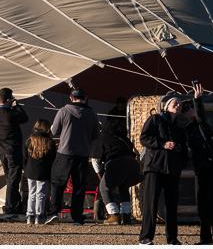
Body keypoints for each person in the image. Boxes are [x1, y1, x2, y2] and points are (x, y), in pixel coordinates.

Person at [138, 94, 190, 245]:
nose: (178, 105)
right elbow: (144, 138)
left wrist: (179, 152)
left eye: (180, 104)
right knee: (151, 203)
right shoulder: (155, 119)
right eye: (175, 103)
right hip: (155, 167)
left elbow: (184, 148)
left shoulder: (180, 127)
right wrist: (163, 144)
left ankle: (172, 238)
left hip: (172, 170)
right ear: (166, 106)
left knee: (172, 204)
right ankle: (145, 237)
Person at [45, 88, 99, 225]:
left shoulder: (63, 111)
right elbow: (95, 135)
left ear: (71, 97)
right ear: (85, 98)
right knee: (79, 186)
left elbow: (54, 131)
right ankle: (77, 216)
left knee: (58, 183)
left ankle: (54, 212)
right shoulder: (92, 114)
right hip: (83, 154)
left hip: (64, 153)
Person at [185, 82, 213, 245]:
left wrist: (197, 101)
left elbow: (201, 118)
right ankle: (205, 239)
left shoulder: (205, 124)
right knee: (202, 205)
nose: (186, 111)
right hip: (201, 169)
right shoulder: (189, 129)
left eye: (188, 108)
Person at [91, 108, 142, 225]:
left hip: (116, 164)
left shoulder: (102, 138)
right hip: (133, 165)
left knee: (104, 188)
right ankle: (126, 216)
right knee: (124, 187)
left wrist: (101, 177)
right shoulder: (125, 139)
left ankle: (114, 215)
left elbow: (95, 160)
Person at [0, 87, 29, 214]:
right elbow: (25, 118)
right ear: (9, 99)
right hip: (13, 151)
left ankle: (15, 204)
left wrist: (5, 103)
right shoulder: (11, 115)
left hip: (2, 151)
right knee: (13, 180)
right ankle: (10, 207)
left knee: (10, 179)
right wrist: (16, 105)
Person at [23, 119, 56, 225]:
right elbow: (53, 158)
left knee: (31, 193)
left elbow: (24, 157)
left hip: (30, 170)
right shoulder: (49, 142)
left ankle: (29, 215)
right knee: (41, 194)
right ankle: (39, 216)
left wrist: (25, 168)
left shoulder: (29, 140)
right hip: (43, 171)